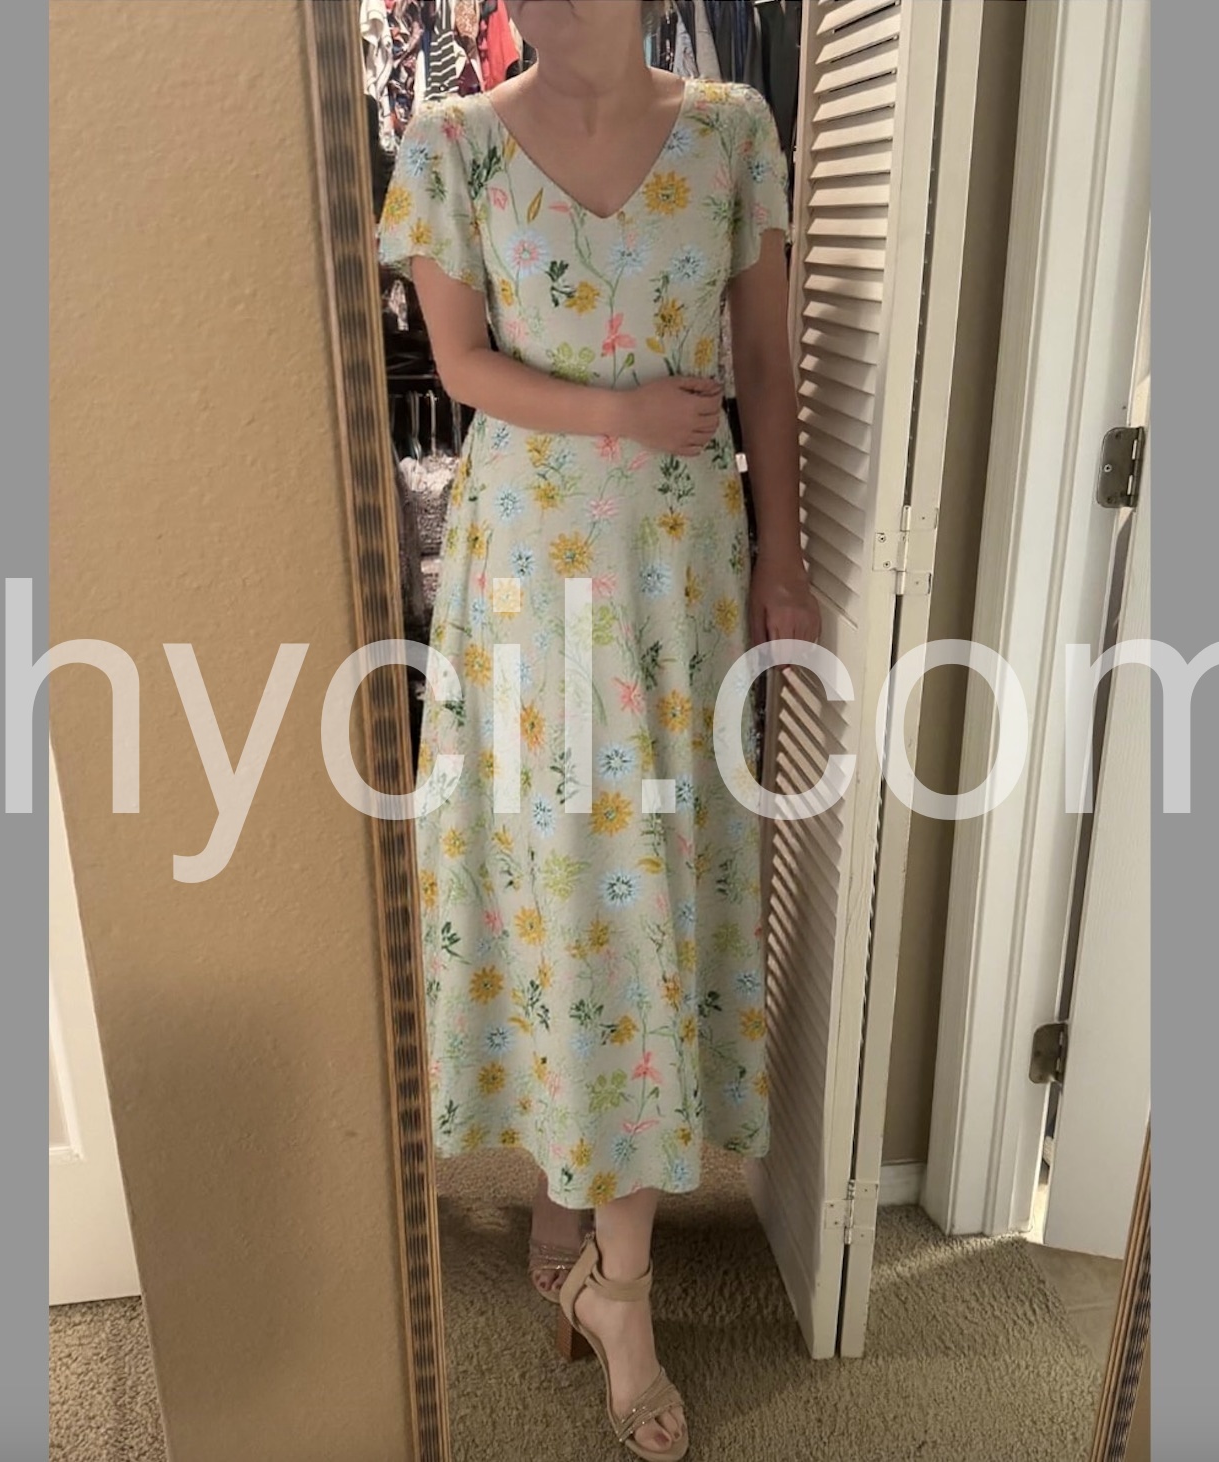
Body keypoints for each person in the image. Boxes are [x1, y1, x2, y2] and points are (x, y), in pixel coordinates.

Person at [377, 1, 819, 1455]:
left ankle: (610, 1274)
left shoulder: (731, 131)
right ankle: (584, 1224)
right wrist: (622, 414)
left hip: (677, 574)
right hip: (526, 572)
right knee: (560, 886)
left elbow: (767, 366)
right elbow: (458, 368)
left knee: (642, 893)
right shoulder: (449, 141)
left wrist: (782, 560)